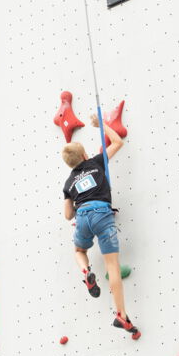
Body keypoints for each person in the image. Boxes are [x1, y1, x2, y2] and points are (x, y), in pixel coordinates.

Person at [61, 114, 139, 336]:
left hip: (83, 215)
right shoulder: (95, 162)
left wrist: (78, 200)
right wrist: (101, 124)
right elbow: (118, 142)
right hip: (103, 213)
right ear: (85, 155)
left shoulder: (68, 183)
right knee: (112, 266)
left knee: (79, 250)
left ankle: (86, 271)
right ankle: (121, 315)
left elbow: (68, 215)